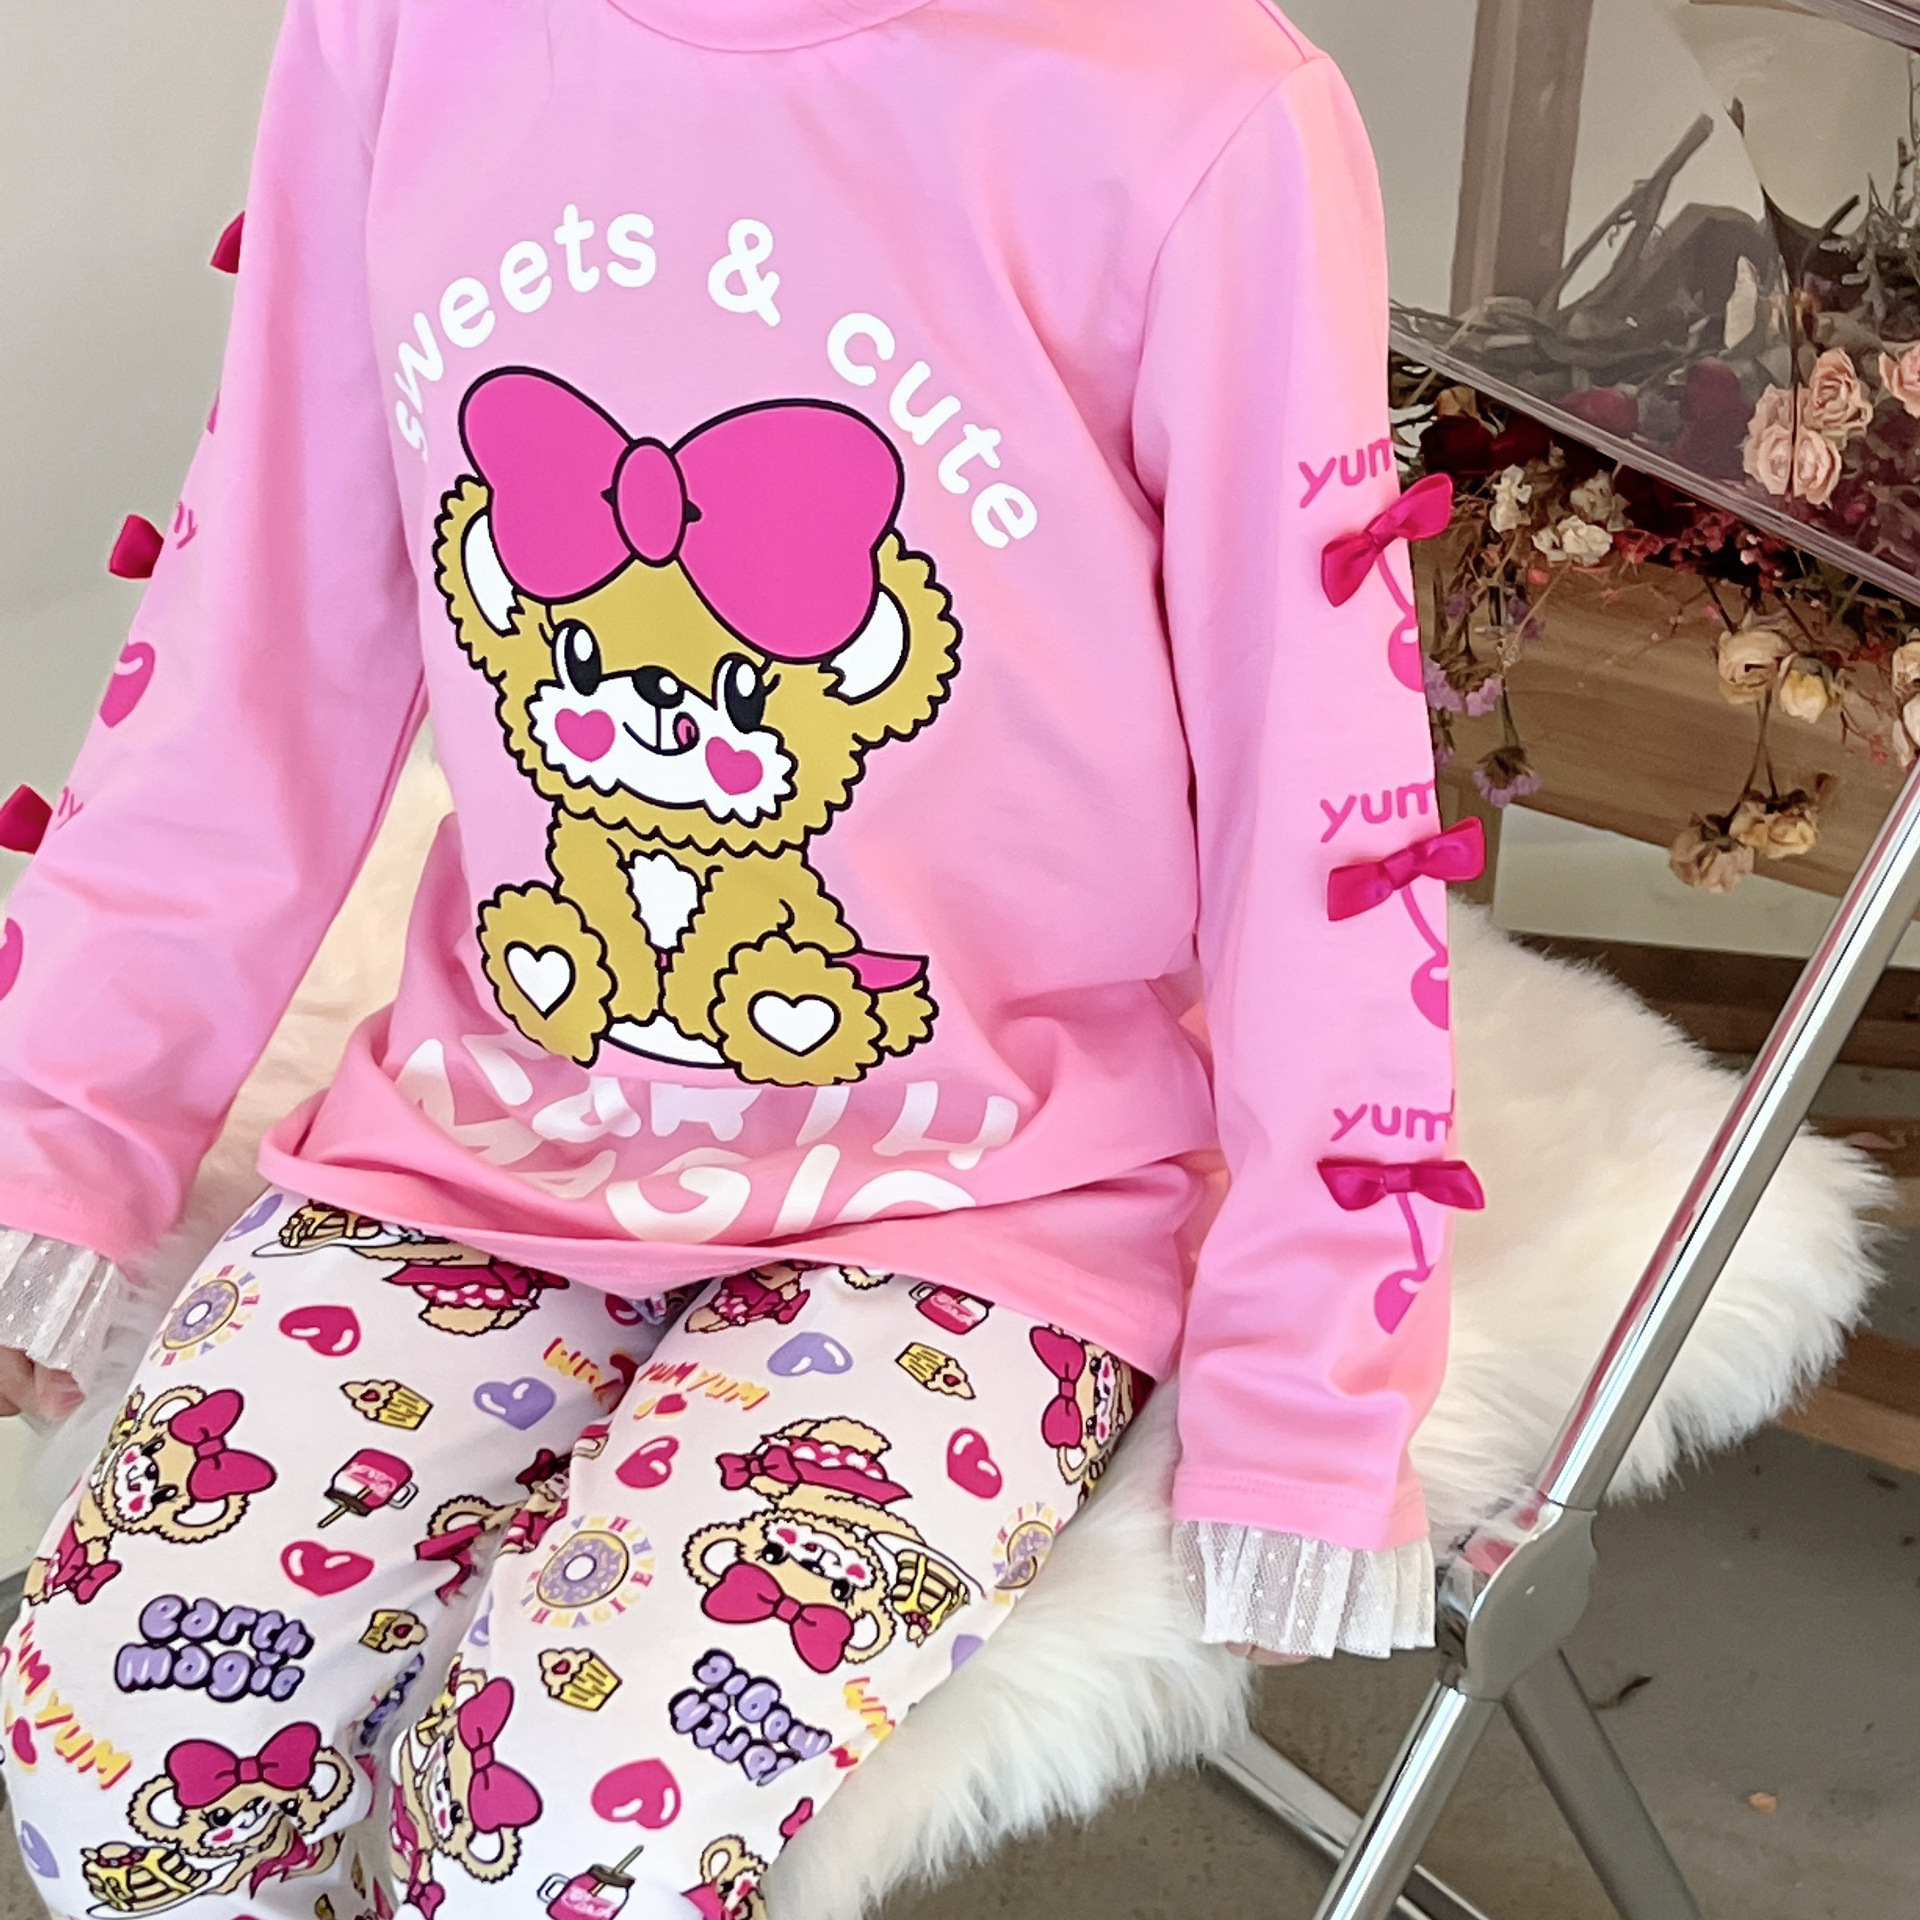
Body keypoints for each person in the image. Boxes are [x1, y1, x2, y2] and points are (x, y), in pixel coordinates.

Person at [0, 0, 1477, 1913]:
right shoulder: (397, 35)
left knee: (559, 1829)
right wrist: (62, 1128)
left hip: (988, 1200)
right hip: (481, 1133)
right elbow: (258, 640)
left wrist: (1308, 1381)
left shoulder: (1200, 111)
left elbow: (1317, 784)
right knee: (119, 1759)